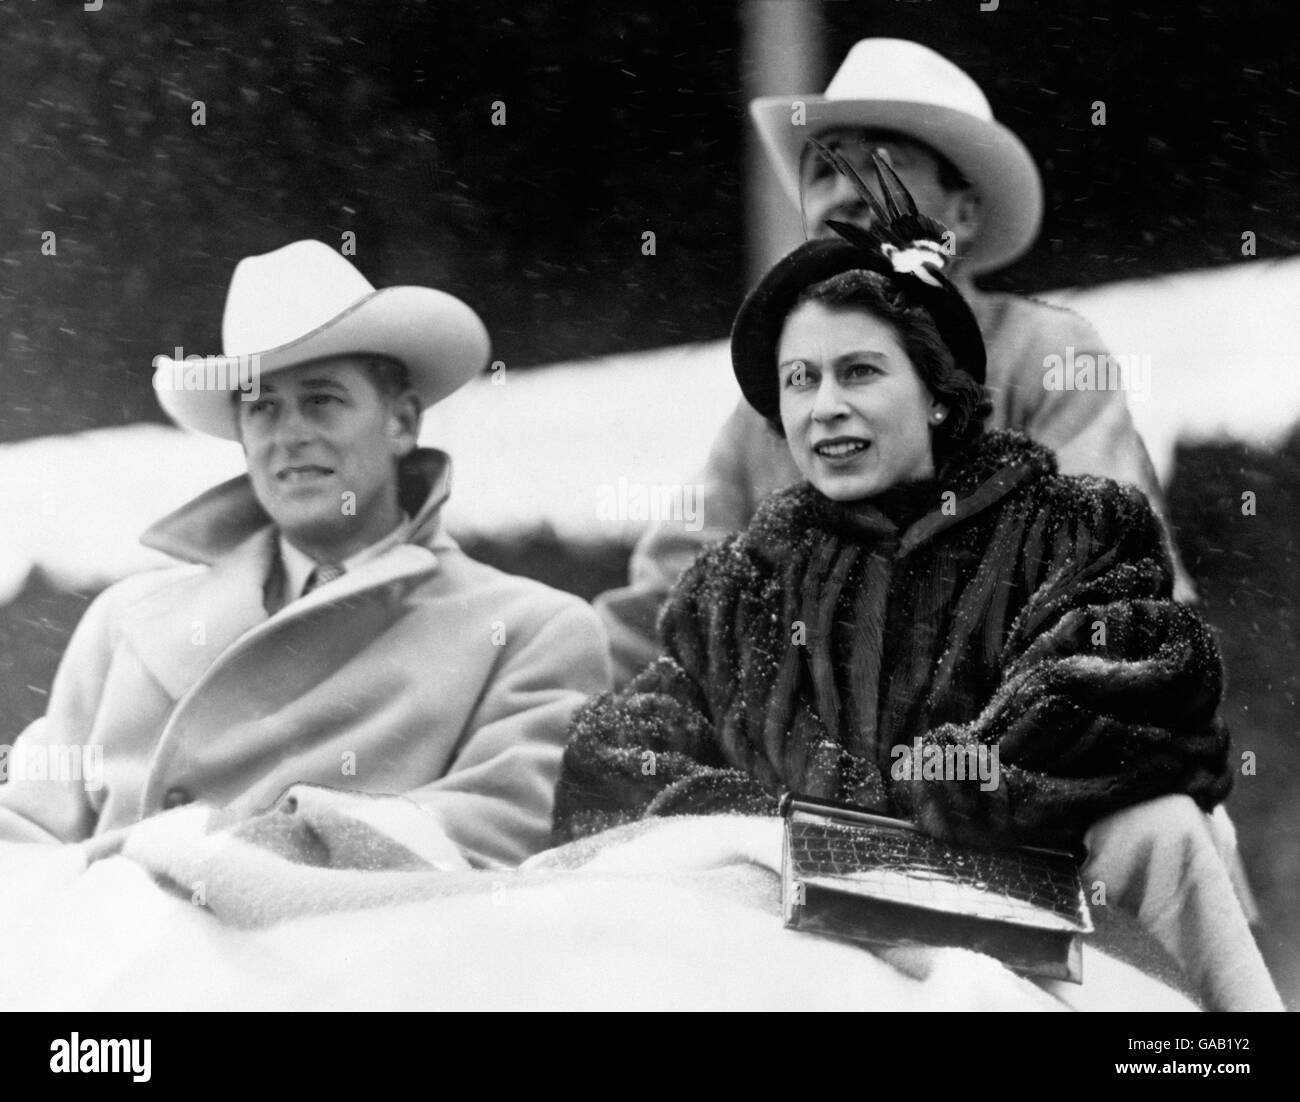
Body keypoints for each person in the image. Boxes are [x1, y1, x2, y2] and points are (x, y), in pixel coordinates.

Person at [553, 154, 1230, 854]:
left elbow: (1133, 686)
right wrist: (764, 822)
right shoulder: (736, 591)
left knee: (1166, 834)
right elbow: (618, 752)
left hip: (1028, 891)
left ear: (940, 393)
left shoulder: (1068, 535)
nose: (826, 408)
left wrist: (920, 799)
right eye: (799, 381)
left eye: (861, 372)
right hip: (796, 907)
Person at [596, 37, 1194, 689]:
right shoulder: (772, 402)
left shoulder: (1047, 351)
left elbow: (1109, 574)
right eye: (824, 172)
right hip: (818, 758)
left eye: (884, 162)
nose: (842, 195)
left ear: (963, 212)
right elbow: (658, 608)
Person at [0, 240, 611, 867]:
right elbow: (26, 834)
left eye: (321, 399)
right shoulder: (126, 618)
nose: (290, 435)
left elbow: (495, 831)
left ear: (401, 422)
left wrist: (232, 859)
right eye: (262, 407)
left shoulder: (529, 631)